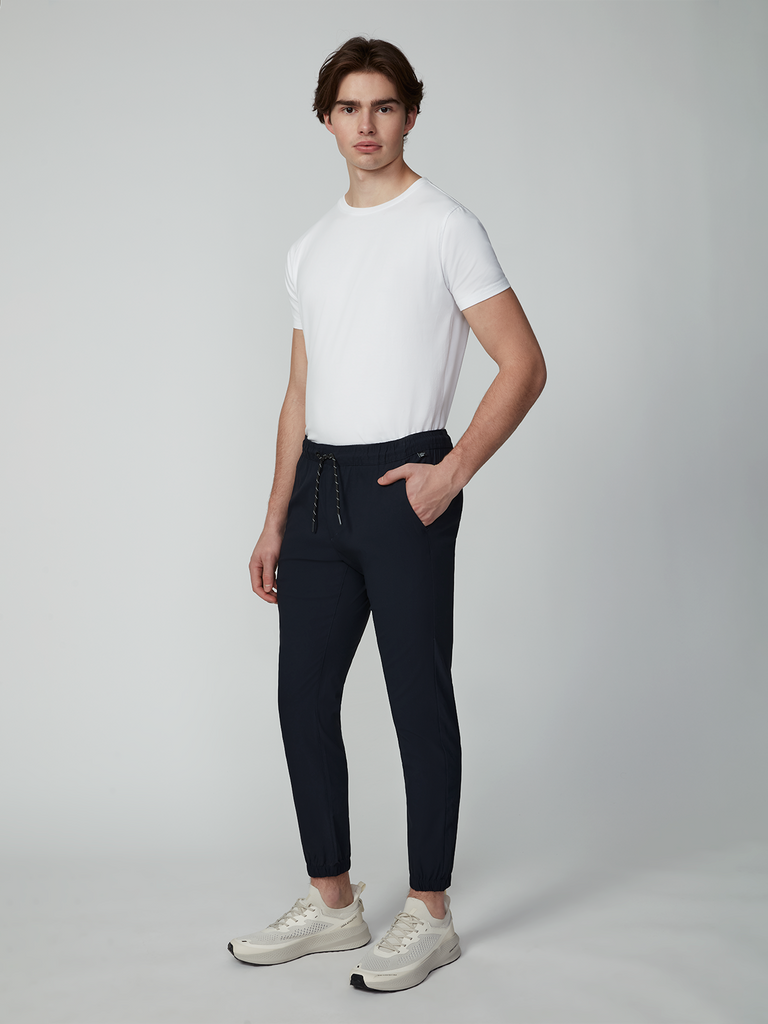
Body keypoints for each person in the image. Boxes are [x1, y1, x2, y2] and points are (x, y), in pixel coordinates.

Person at [228, 36, 546, 992]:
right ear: (325, 120)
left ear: (411, 113)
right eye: (348, 109)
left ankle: (431, 915)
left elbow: (523, 364)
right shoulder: (310, 245)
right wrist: (275, 519)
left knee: (417, 698)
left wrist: (449, 474)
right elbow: (297, 393)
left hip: (403, 489)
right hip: (319, 493)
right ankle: (334, 903)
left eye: (384, 107)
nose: (366, 126)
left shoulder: (445, 224)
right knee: (301, 697)